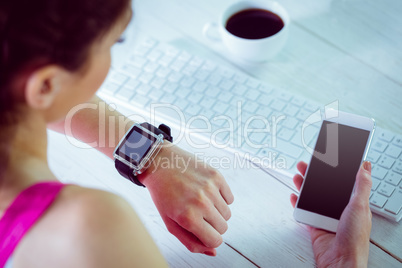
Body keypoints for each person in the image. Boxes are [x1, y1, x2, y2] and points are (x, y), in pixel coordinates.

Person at [0, 0, 372, 267]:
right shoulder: (88, 230)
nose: (113, 59)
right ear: (46, 84)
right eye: (114, 43)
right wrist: (344, 262)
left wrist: (152, 156)